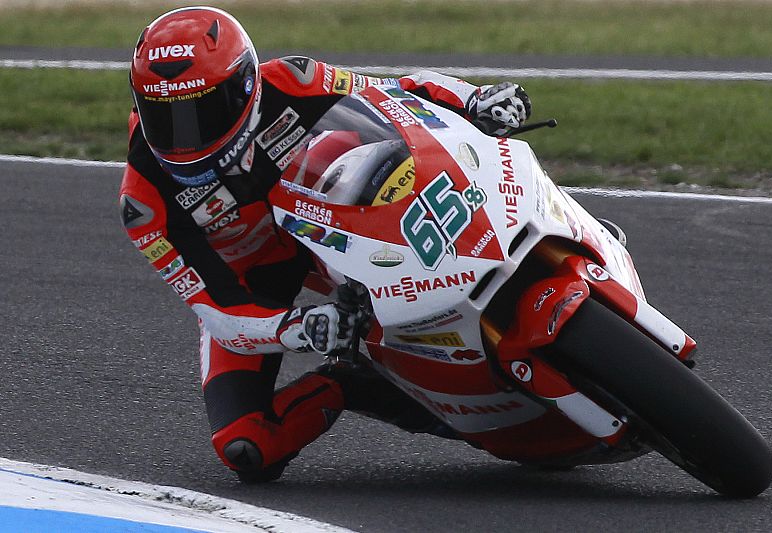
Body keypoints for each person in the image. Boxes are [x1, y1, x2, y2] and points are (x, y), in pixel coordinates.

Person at [120, 6, 531, 482]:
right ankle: (396, 396)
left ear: (246, 86)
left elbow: (393, 93)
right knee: (246, 444)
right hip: (252, 284)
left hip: (329, 219)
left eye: (203, 112)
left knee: (411, 166)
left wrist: (474, 99)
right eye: (164, 117)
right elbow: (219, 313)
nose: (185, 137)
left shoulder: (292, 80)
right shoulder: (143, 203)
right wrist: (297, 327)